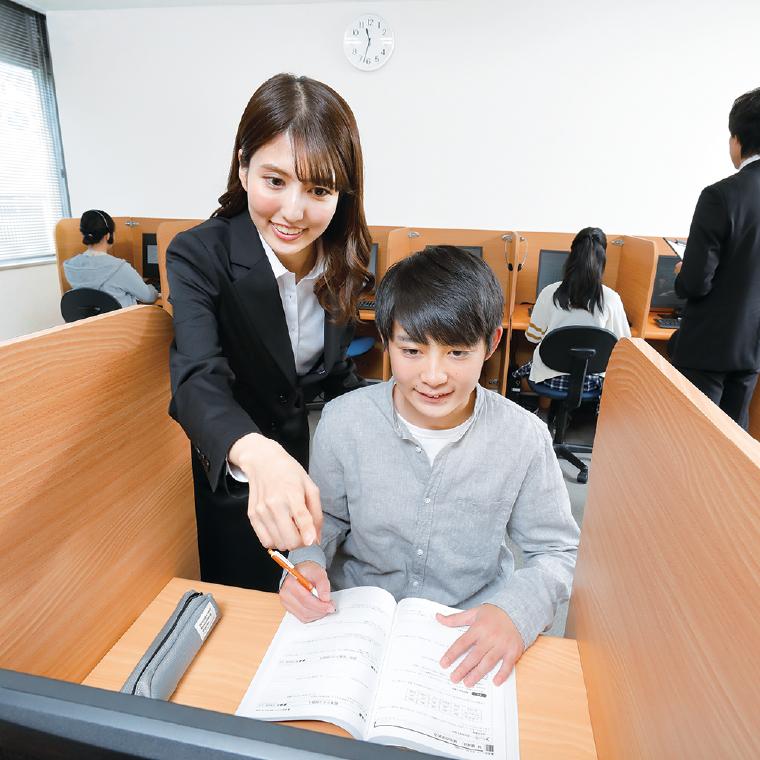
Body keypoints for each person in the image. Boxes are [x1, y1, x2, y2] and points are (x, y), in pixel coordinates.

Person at [281, 246, 580, 688]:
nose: (434, 375)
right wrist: (305, 563)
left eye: (457, 353)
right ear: (387, 341)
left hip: (467, 632)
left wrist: (515, 613)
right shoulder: (344, 420)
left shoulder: (524, 437)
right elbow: (325, 520)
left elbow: (555, 552)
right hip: (355, 620)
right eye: (413, 350)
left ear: (492, 343)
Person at [166, 73, 372, 591]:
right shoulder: (199, 254)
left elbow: (335, 372)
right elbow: (197, 379)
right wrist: (258, 454)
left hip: (318, 471)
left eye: (319, 189)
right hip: (240, 476)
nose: (294, 212)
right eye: (275, 181)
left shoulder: (345, 254)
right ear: (242, 166)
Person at [670, 87, 760, 429]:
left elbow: (695, 282)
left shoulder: (720, 196)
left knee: (696, 439)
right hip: (753, 349)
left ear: (736, 139)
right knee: (734, 443)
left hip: (709, 348)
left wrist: (682, 271)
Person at [513, 227, 631, 404]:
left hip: (549, 379)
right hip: (590, 382)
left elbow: (532, 337)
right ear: (603, 260)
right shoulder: (611, 299)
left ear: (571, 256)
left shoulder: (549, 292)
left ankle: (544, 412)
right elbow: (623, 344)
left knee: (524, 370)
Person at [63, 209, 159, 307]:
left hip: (89, 322)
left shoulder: (71, 266)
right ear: (108, 235)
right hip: (122, 320)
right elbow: (148, 297)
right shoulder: (119, 268)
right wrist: (152, 288)